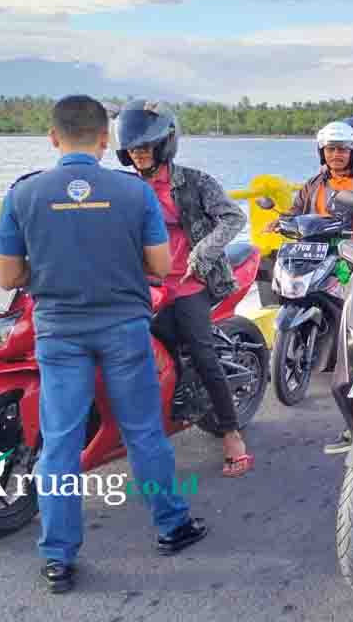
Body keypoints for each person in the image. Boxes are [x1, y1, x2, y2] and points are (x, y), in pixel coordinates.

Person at [0, 95, 207, 594]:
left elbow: (6, 276)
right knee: (143, 433)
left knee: (61, 442)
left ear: (52, 137)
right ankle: (172, 526)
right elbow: (159, 266)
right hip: (124, 329)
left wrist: (41, 272)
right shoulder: (135, 194)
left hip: (59, 332)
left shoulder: (24, 194)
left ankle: (58, 559)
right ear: (105, 140)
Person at [114, 99, 252, 477]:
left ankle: (230, 433)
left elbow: (233, 216)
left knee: (202, 353)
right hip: (143, 284)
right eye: (133, 149)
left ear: (164, 145)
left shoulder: (193, 182)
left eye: (146, 147)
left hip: (191, 281)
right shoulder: (122, 187)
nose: (139, 155)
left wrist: (203, 251)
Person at [269, 120, 353, 454]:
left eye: (341, 149)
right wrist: (280, 220)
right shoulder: (314, 183)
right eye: (330, 150)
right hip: (318, 247)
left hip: (352, 250)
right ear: (321, 152)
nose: (336, 156)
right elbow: (297, 210)